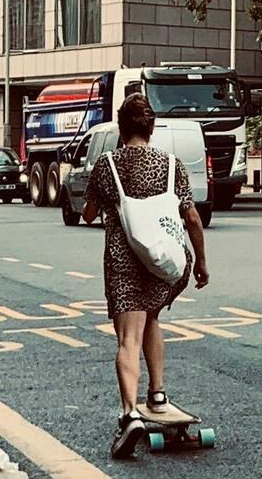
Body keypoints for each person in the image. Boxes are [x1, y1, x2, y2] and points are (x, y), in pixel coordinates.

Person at [81, 93, 210, 456]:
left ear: (122, 129)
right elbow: (193, 219)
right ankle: (157, 393)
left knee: (128, 339)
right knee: (152, 316)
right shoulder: (172, 165)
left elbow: (89, 213)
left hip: (124, 262)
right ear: (151, 128)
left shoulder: (107, 164)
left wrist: (107, 202)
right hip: (165, 261)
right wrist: (200, 262)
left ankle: (129, 414)